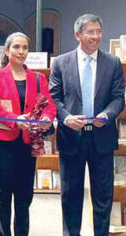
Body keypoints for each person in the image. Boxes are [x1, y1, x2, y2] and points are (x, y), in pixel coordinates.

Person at [49, 14, 125, 236]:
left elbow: (118, 97)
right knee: (71, 195)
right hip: (71, 137)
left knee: (103, 195)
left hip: (102, 137)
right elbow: (54, 98)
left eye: (99, 31)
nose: (96, 36)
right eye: (90, 32)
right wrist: (65, 118)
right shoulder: (61, 63)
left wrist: (107, 115)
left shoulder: (112, 63)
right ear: (78, 35)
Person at [0, 32, 56, 236]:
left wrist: (46, 118)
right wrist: (16, 119)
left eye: (25, 47)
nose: (21, 51)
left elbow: (49, 105)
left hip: (28, 143)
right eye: (16, 47)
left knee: (25, 194)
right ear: (7, 51)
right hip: (4, 143)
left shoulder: (38, 78)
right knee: (4, 194)